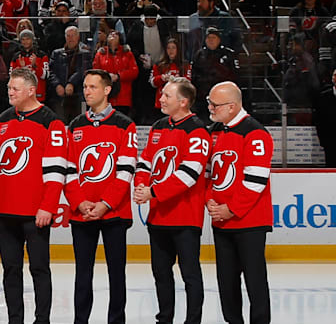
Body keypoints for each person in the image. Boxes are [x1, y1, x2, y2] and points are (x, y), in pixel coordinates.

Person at [0, 67, 66, 324]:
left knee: (39, 269)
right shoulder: (3, 119)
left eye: (15, 88)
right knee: (10, 270)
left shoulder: (50, 121)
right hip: (4, 210)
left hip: (35, 212)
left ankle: (42, 320)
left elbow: (56, 170)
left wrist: (48, 206)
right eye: (9, 88)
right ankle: (14, 319)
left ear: (32, 90)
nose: (10, 92)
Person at [134, 76, 210, 324]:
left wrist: (153, 193)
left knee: (190, 274)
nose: (161, 98)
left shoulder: (197, 131)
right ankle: (164, 319)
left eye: (167, 95)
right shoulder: (158, 126)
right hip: (158, 216)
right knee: (161, 274)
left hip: (185, 217)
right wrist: (141, 184)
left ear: (184, 102)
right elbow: (145, 161)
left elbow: (189, 173)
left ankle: (192, 321)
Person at [65, 69, 138, 324]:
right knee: (82, 273)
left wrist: (106, 204)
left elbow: (126, 169)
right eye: (85, 86)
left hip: (114, 213)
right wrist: (80, 202)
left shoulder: (124, 124)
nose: (87, 91)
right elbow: (69, 169)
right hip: (82, 212)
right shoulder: (75, 125)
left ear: (107, 90)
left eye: (93, 87)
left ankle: (116, 320)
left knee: (116, 273)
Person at [206, 81, 273, 324]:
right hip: (221, 221)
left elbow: (256, 180)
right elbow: (209, 174)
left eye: (215, 104)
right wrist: (211, 202)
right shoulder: (214, 131)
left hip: (249, 222)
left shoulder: (255, 133)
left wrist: (231, 209)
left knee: (255, 281)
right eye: (209, 102)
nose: (210, 108)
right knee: (227, 282)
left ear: (232, 106)